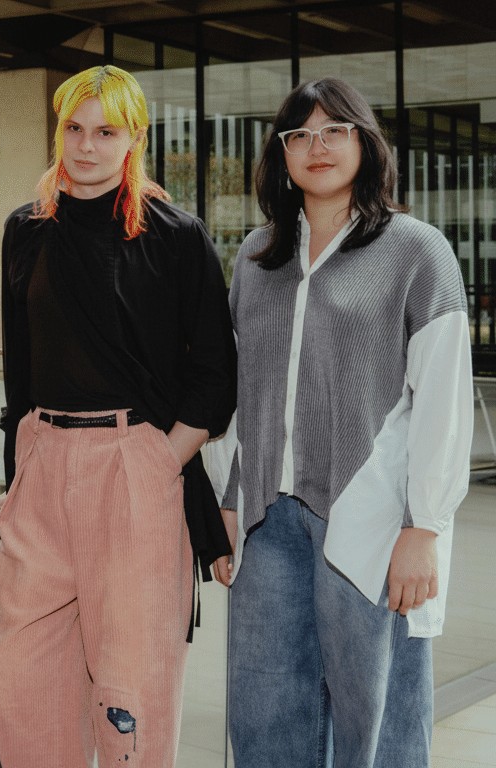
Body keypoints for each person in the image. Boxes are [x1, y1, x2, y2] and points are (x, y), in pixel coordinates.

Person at [0, 65, 237, 767]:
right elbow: (23, 375)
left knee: (129, 694)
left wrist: (160, 461)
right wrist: (21, 475)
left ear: (135, 140)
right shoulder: (26, 229)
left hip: (136, 466)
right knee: (18, 687)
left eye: (105, 131)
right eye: (73, 127)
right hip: (44, 465)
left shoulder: (175, 235)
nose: (86, 145)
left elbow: (215, 377)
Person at [210, 77, 470, 767]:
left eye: (334, 130)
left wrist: (425, 525)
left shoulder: (417, 251)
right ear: (281, 154)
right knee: (264, 713)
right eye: (298, 134)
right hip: (268, 522)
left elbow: (443, 397)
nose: (315, 146)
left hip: (371, 518)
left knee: (377, 716)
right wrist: (230, 502)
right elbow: (243, 391)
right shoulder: (257, 257)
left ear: (365, 142)